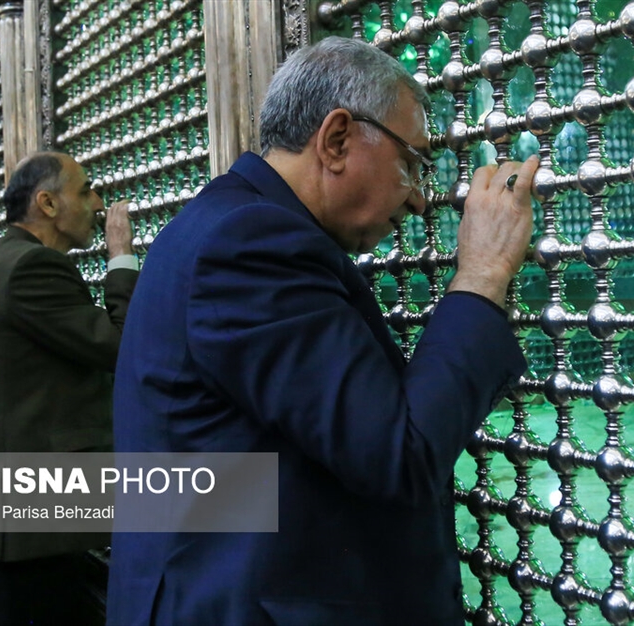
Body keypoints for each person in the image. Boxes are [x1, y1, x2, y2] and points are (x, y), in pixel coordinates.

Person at [106, 36, 539, 625]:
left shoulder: (229, 222)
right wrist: (484, 273)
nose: (419, 200)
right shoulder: (250, 243)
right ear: (337, 140)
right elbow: (399, 453)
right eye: (411, 163)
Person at [0, 151, 138, 625]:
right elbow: (122, 347)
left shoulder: (1, 262)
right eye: (86, 190)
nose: (98, 203)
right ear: (48, 204)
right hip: (19, 538)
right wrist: (122, 257)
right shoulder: (31, 269)